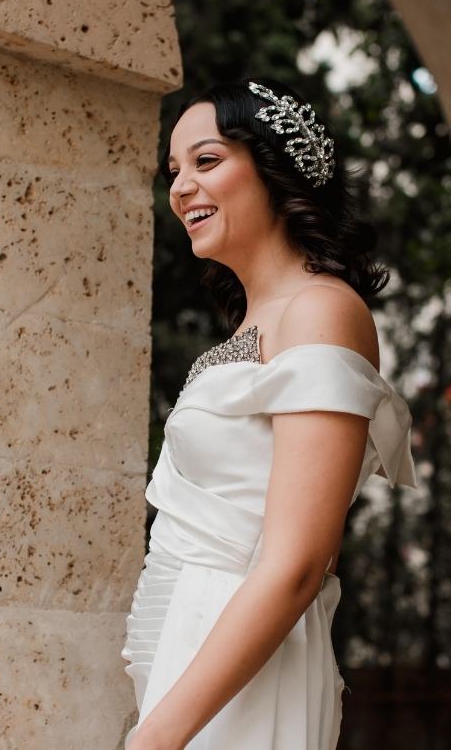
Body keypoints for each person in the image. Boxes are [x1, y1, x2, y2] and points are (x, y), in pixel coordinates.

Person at [120, 77, 419, 749]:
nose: (180, 187)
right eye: (174, 171)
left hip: (248, 666)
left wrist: (156, 738)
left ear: (273, 168)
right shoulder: (250, 328)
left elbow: (298, 562)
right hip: (198, 655)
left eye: (206, 160)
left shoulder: (321, 310)